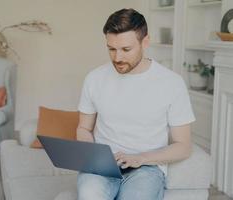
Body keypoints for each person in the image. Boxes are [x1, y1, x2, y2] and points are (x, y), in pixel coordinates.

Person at [76, 8, 195, 200]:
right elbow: (83, 128)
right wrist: (93, 156)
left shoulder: (171, 83)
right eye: (111, 49)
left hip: (147, 169)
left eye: (126, 49)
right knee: (89, 194)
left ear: (145, 42)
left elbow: (183, 146)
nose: (118, 58)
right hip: (103, 166)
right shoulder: (94, 78)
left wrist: (141, 158)